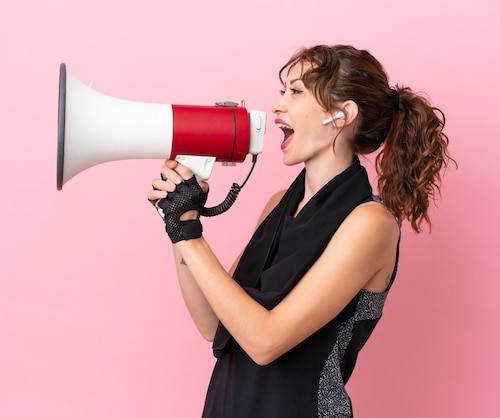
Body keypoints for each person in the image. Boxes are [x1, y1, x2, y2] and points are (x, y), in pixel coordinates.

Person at [148, 44, 453, 418]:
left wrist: (190, 237)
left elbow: (265, 341)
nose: (278, 106)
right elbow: (215, 325)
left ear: (342, 114)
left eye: (295, 92)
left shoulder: (370, 224)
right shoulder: (279, 205)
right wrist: (180, 225)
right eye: (282, 92)